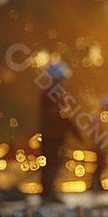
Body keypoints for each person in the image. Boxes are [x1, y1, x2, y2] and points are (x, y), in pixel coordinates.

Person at [38, 60, 73, 201]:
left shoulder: (57, 95)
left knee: (54, 162)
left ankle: (48, 191)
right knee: (51, 162)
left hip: (55, 135)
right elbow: (55, 115)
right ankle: (47, 193)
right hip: (51, 136)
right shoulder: (50, 95)